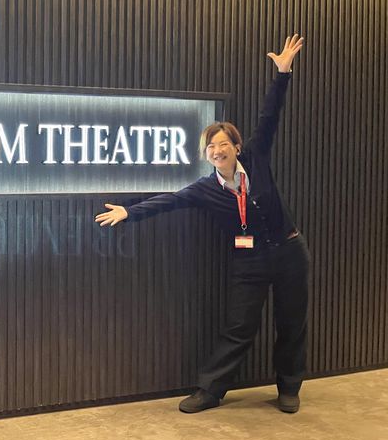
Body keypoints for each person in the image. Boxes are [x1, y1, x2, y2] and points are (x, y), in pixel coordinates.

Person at [95, 34, 308, 413]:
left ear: (237, 147)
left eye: (223, 143)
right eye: (211, 146)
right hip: (250, 261)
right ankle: (210, 391)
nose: (217, 149)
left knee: (291, 323)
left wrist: (283, 74)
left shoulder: (256, 159)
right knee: (239, 327)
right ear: (206, 155)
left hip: (290, 251)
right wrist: (129, 211)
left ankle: (289, 388)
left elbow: (270, 115)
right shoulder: (205, 189)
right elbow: (169, 200)